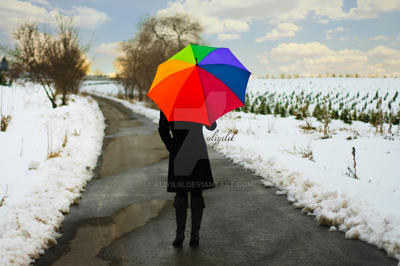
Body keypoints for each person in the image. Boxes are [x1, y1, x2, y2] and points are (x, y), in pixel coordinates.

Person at [158, 110, 217, 247]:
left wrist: (172, 145)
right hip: (196, 150)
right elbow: (212, 126)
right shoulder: (200, 100)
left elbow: (163, 129)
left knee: (181, 192)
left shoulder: (170, 101)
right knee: (196, 192)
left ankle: (181, 234)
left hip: (180, 151)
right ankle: (193, 235)